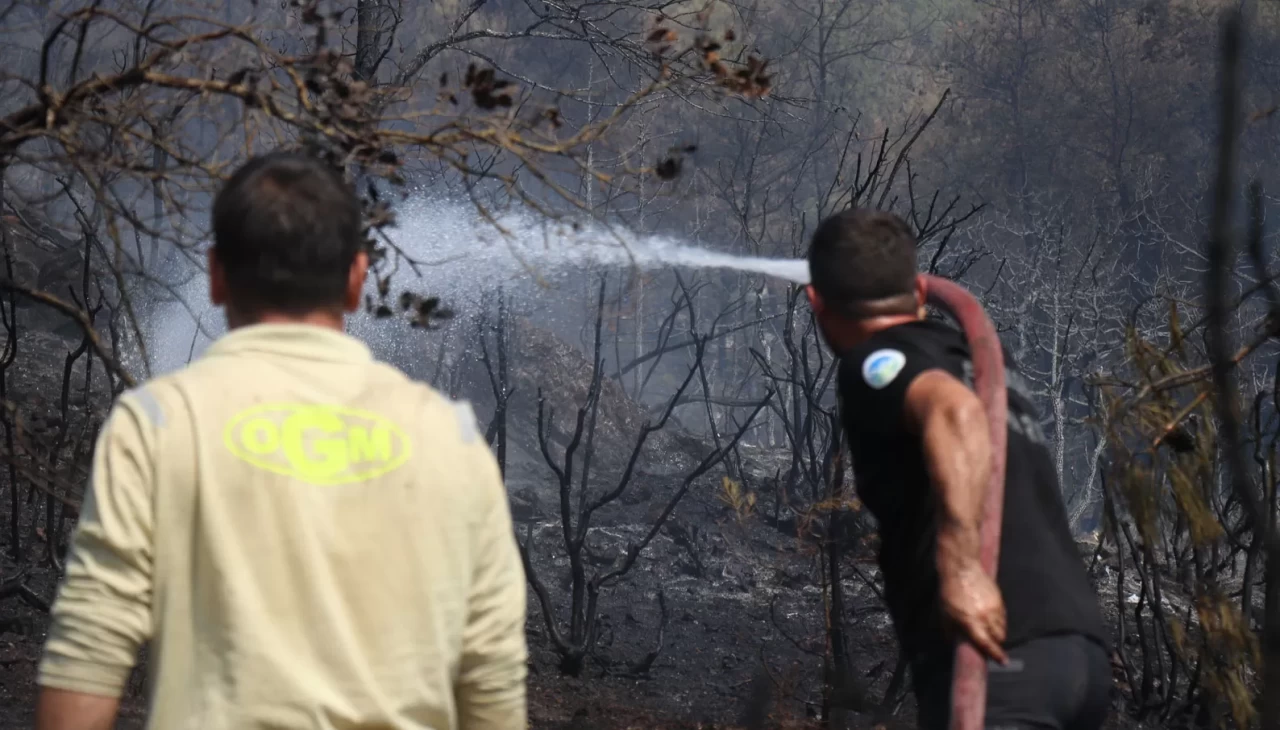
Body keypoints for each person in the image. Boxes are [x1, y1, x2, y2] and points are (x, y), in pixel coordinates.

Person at [34, 151, 528, 730]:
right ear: (357, 279)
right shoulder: (452, 438)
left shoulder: (157, 424)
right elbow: (492, 687)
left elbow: (86, 665)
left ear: (216, 275)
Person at [805, 208, 1111, 730]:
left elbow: (954, 412)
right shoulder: (973, 356)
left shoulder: (877, 361)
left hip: (998, 654)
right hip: (1075, 653)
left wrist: (963, 568)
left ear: (816, 301)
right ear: (918, 294)